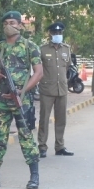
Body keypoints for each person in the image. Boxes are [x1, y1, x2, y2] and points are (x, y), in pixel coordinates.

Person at [0, 10, 43, 189]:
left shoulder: (30, 46)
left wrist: (23, 91)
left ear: (20, 25)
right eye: (6, 22)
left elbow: (39, 73)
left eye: (13, 22)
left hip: (22, 100)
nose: (9, 25)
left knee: (26, 138)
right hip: (1, 100)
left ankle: (34, 176)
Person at [37, 21, 74, 158]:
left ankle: (60, 146)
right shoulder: (43, 49)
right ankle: (42, 146)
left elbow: (68, 66)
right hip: (47, 89)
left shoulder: (66, 49)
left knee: (61, 119)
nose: (57, 35)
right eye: (55, 32)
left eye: (60, 33)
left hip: (62, 89)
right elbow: (37, 68)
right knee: (44, 119)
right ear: (50, 34)